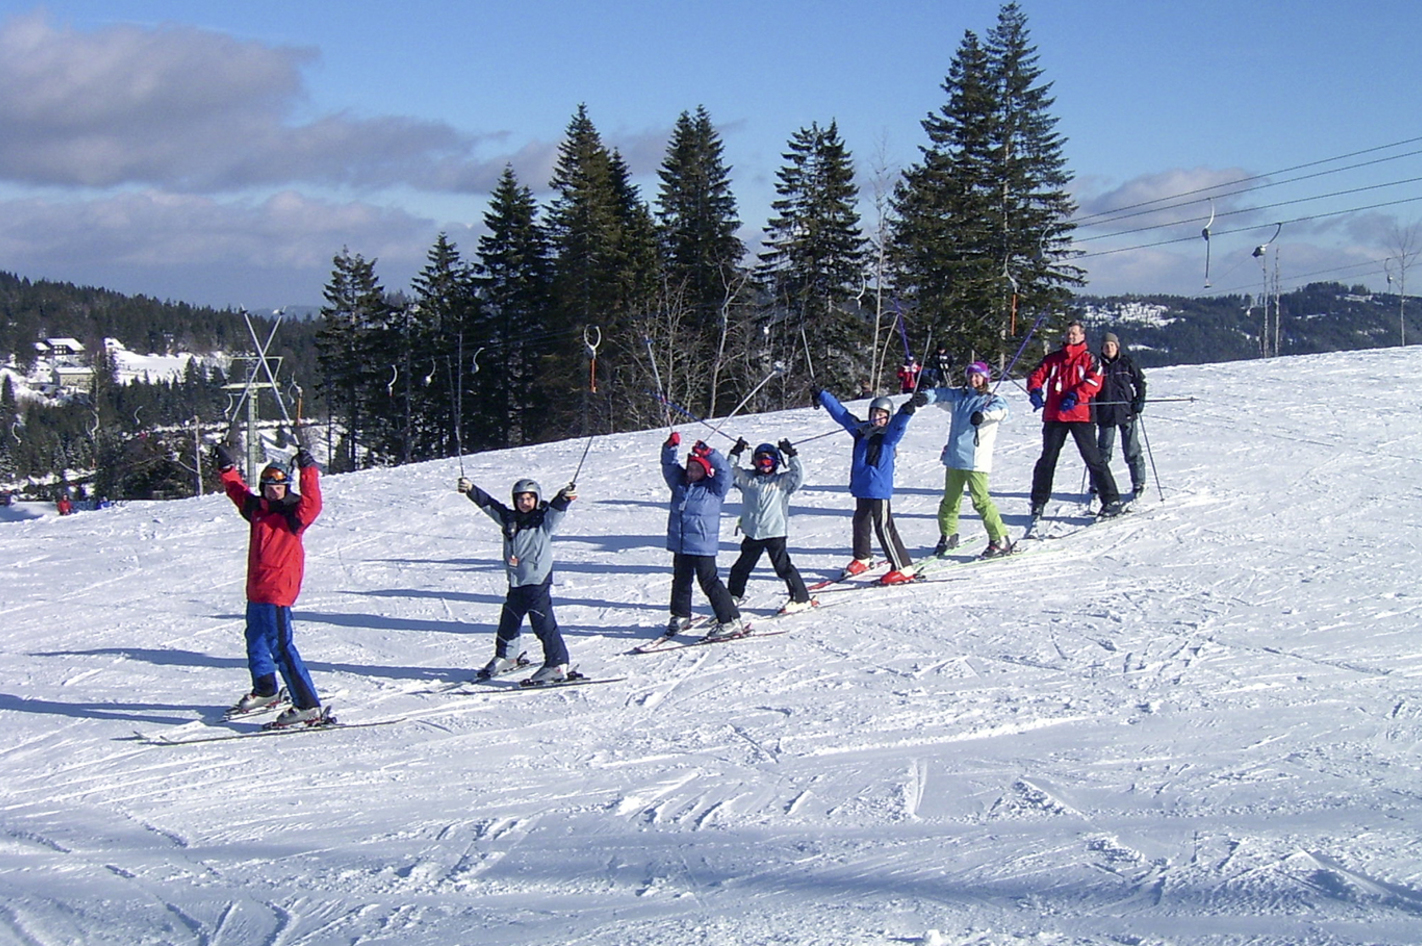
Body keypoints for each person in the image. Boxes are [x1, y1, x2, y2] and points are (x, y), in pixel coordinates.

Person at [216, 445, 325, 727]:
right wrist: (227, 468)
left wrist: (308, 470)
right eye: (268, 486)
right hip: (256, 588)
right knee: (255, 639)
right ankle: (265, 689)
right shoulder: (257, 510)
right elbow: (237, 492)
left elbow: (313, 503)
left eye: (279, 486)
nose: (273, 491)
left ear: (286, 487)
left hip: (278, 589)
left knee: (281, 646)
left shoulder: (293, 514)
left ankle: (307, 704)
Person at [457, 475, 575, 684]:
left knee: (542, 623)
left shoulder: (544, 520)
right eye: (521, 499)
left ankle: (557, 664)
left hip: (537, 581)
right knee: (509, 620)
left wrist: (564, 497)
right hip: (516, 581)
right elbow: (489, 504)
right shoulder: (508, 519)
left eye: (530, 498)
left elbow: (558, 509)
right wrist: (471, 489)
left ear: (537, 499)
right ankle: (507, 656)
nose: (525, 503)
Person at [817, 389, 921, 584]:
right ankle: (862, 557)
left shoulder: (889, 436)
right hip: (862, 487)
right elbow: (842, 415)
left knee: (883, 526)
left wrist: (907, 410)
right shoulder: (861, 432)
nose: (877, 418)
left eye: (882, 415)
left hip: (878, 489)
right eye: (874, 414)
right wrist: (822, 395)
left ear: (888, 417)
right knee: (860, 521)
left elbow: (899, 425)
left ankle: (903, 566)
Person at [1026, 321, 1125, 521]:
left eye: (1074, 334)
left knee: (1093, 458)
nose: (1070, 337)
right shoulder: (1053, 359)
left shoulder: (1090, 359)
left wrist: (1075, 396)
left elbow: (1094, 382)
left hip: (1081, 415)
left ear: (1082, 336)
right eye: (1068, 333)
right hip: (1054, 416)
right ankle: (1038, 502)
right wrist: (1035, 390)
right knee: (1047, 460)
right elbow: (1037, 375)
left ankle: (1111, 500)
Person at [921, 361, 1013, 558]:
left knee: (981, 501)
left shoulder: (991, 400)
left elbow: (1003, 411)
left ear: (985, 378)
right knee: (950, 501)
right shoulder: (960, 398)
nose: (973, 379)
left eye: (978, 376)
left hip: (975, 459)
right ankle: (948, 535)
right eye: (971, 375)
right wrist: (924, 395)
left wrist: (983, 415)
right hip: (954, 457)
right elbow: (940, 395)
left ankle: (1000, 538)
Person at [661, 433, 742, 639]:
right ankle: (680, 615)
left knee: (708, 581)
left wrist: (709, 453)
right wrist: (671, 447)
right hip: (681, 542)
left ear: (706, 471)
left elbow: (725, 472)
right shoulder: (680, 485)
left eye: (697, 469)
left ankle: (730, 619)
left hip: (702, 543)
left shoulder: (714, 489)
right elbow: (669, 465)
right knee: (681, 579)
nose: (691, 472)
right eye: (690, 468)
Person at [726, 438, 812, 613]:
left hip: (774, 532)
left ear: (776, 463)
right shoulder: (748, 479)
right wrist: (735, 452)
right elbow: (728, 472)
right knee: (741, 567)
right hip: (753, 533)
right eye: (760, 461)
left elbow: (799, 475)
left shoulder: (782, 481)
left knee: (782, 567)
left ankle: (801, 597)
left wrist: (792, 454)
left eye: (769, 462)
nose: (764, 466)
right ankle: (734, 595)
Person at [1094, 332, 1148, 500]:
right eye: (1106, 345)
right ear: (1102, 348)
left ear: (1117, 347)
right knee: (1102, 453)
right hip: (1105, 414)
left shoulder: (1126, 363)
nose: (1109, 348)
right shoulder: (1097, 365)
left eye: (1112, 345)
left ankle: (1138, 482)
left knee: (1132, 450)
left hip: (1127, 412)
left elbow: (1140, 382)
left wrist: (1139, 400)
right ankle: (1097, 484)